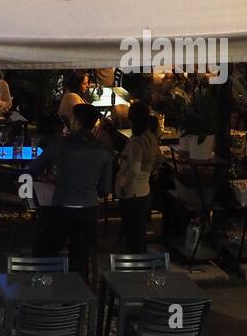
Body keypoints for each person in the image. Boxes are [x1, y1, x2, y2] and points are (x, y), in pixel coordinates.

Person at [28, 103, 113, 276]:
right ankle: (77, 297)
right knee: (80, 258)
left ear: (76, 122)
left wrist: (56, 178)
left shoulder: (61, 144)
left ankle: (39, 287)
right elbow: (105, 188)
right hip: (89, 210)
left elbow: (34, 168)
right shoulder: (103, 150)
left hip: (62, 208)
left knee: (45, 251)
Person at [115, 102, 160, 254]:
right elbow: (159, 160)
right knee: (139, 232)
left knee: (133, 235)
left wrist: (122, 183)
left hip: (132, 193)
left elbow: (134, 169)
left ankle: (135, 267)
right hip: (145, 190)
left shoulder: (136, 142)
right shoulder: (152, 138)